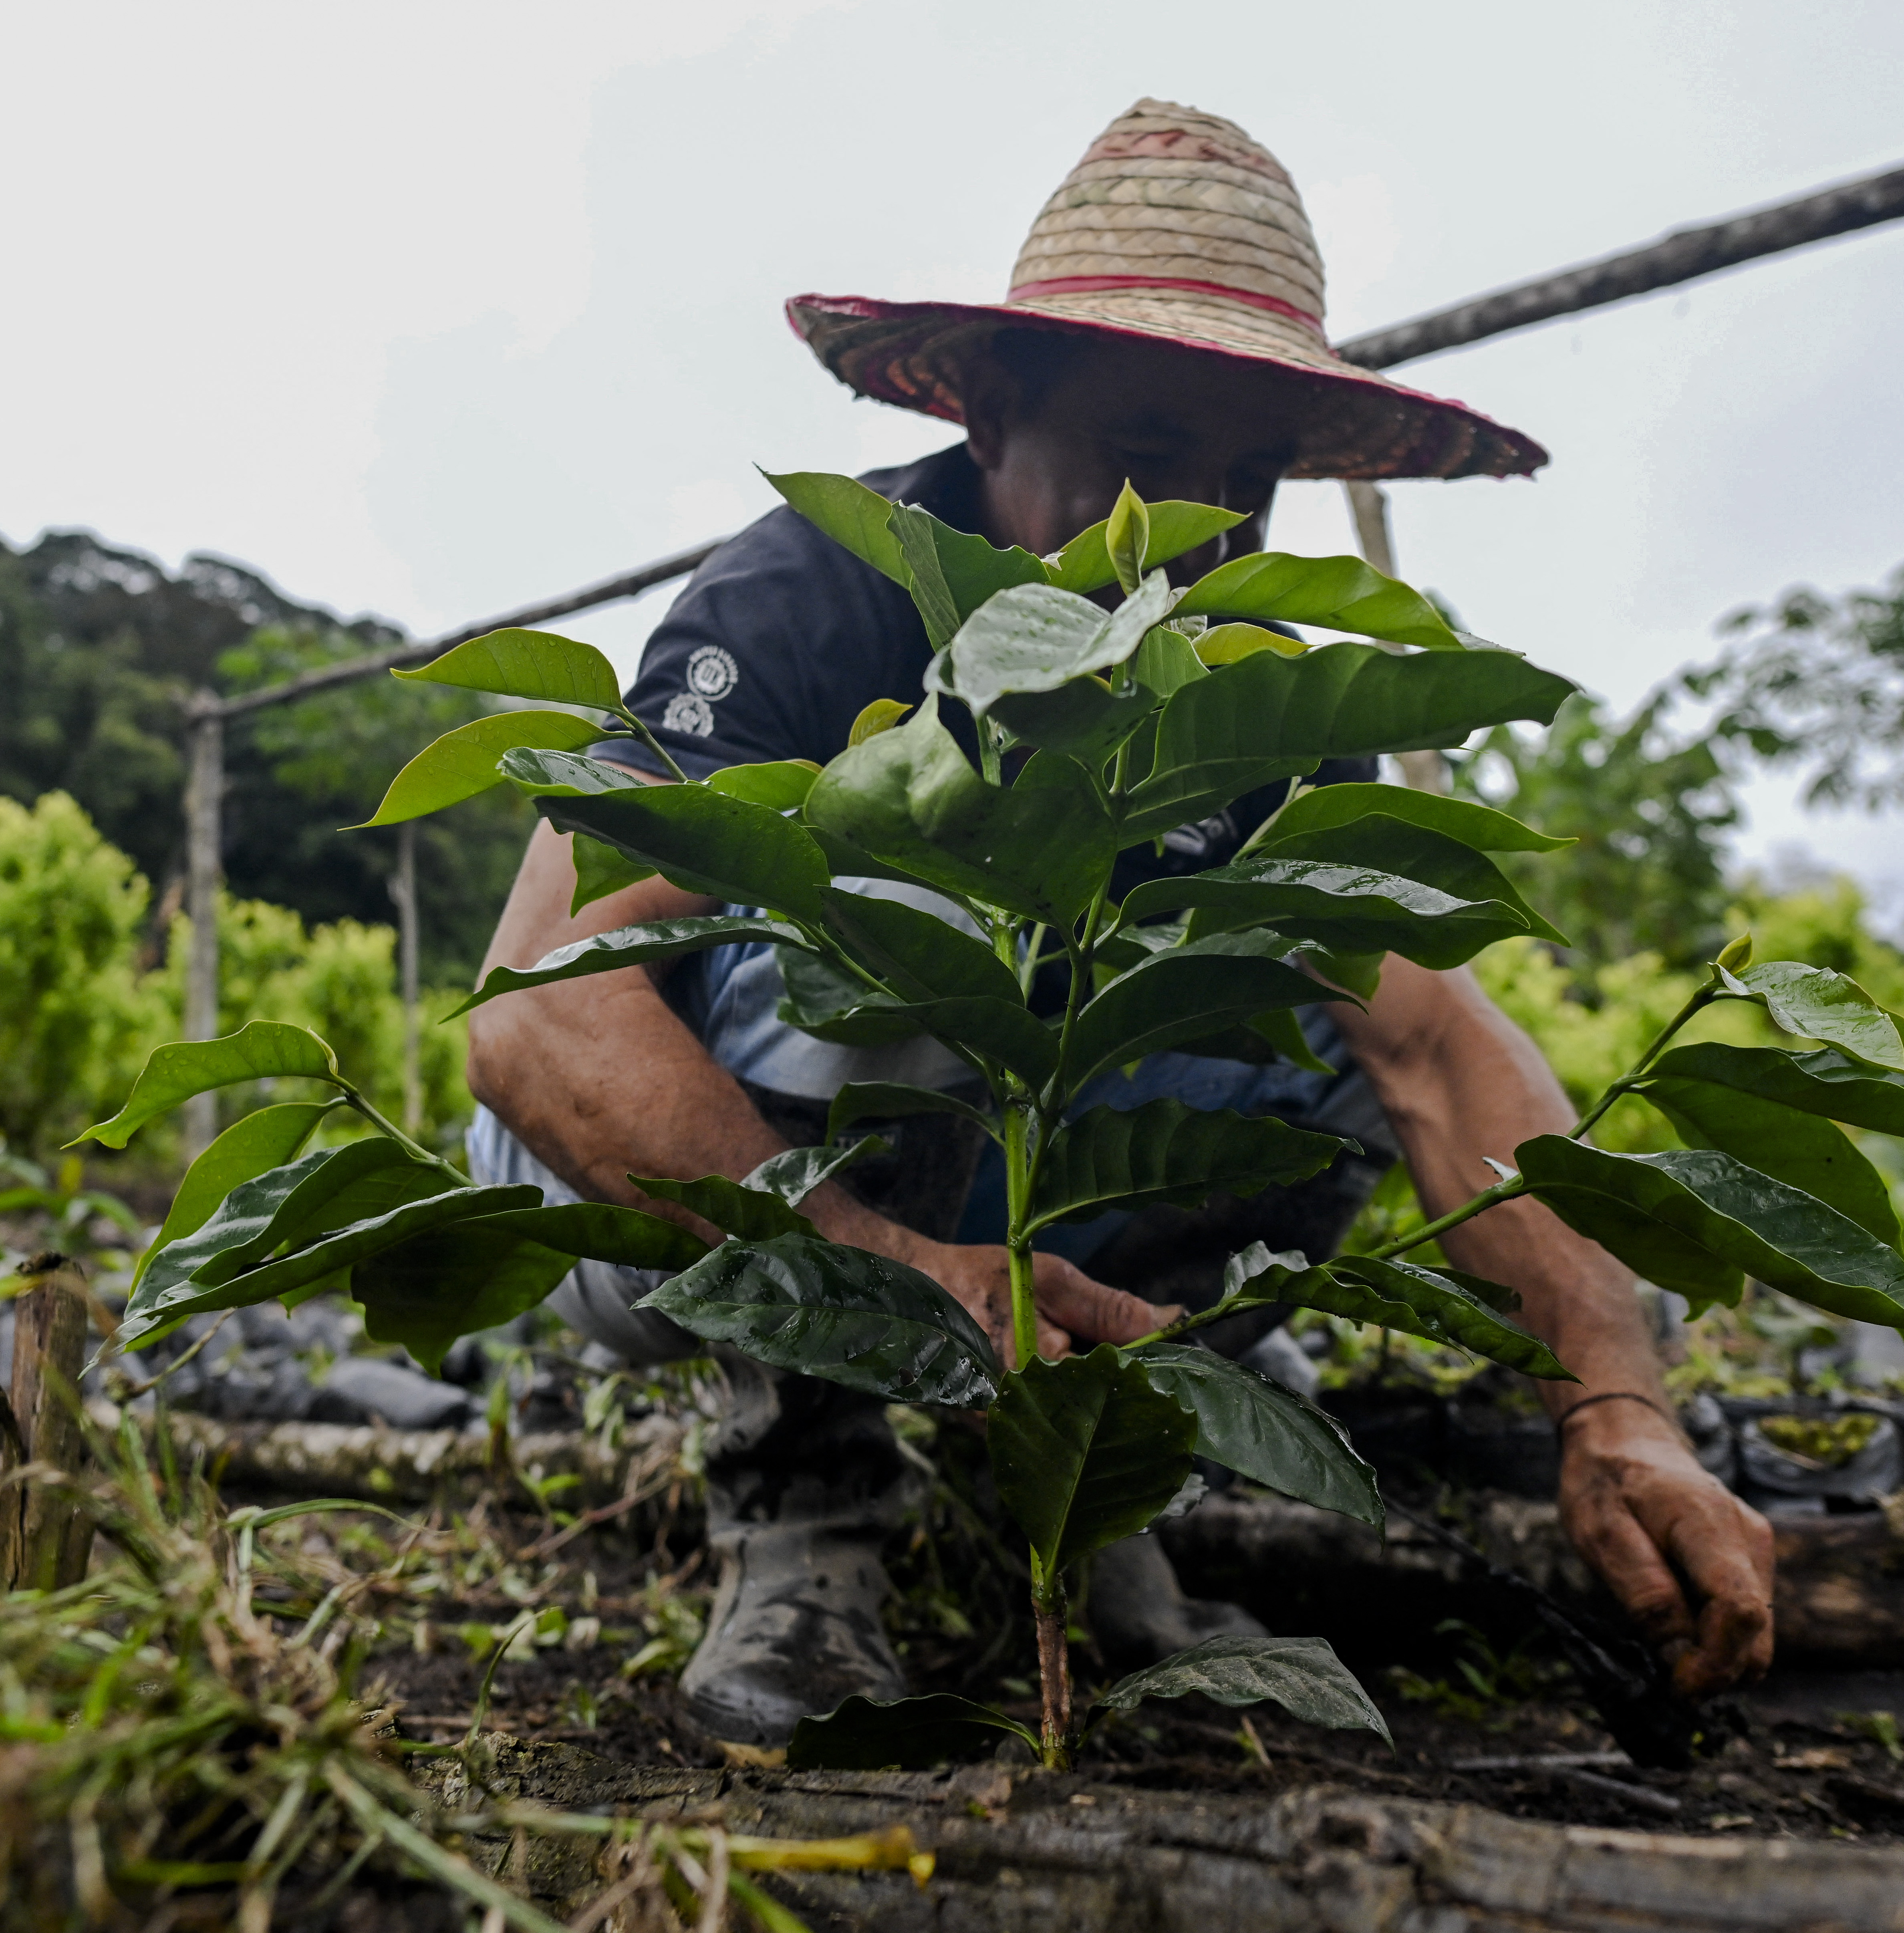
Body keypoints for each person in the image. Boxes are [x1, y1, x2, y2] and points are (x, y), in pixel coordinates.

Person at [463, 99, 1773, 1754]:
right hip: (636, 1187)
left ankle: (1092, 1472)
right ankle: (806, 1500)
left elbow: (1438, 1051)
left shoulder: (1248, 685)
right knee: (930, 880)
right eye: (1154, 450)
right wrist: (888, 1277)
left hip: (976, 1190)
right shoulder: (817, 594)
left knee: (1309, 1044)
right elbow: (536, 1017)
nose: (1209, 528)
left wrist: (1617, 1394)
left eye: (1250, 478)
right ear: (992, 405)